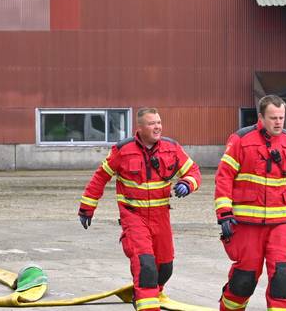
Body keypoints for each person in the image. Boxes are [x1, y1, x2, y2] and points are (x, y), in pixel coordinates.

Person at [78, 108, 200, 311]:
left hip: (161, 217)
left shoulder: (172, 148)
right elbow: (100, 177)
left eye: (159, 122)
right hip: (133, 217)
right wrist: (87, 208)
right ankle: (147, 304)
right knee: (146, 266)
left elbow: (193, 171)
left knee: (165, 268)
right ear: (140, 128)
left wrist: (188, 183)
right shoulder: (122, 150)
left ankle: (148, 294)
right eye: (152, 123)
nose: (157, 127)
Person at [215, 94, 286, 311]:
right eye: (273, 118)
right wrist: (224, 213)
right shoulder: (241, 140)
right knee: (244, 280)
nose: (278, 122)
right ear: (261, 117)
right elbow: (224, 177)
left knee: (283, 277)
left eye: (281, 117)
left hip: (281, 224)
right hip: (247, 224)